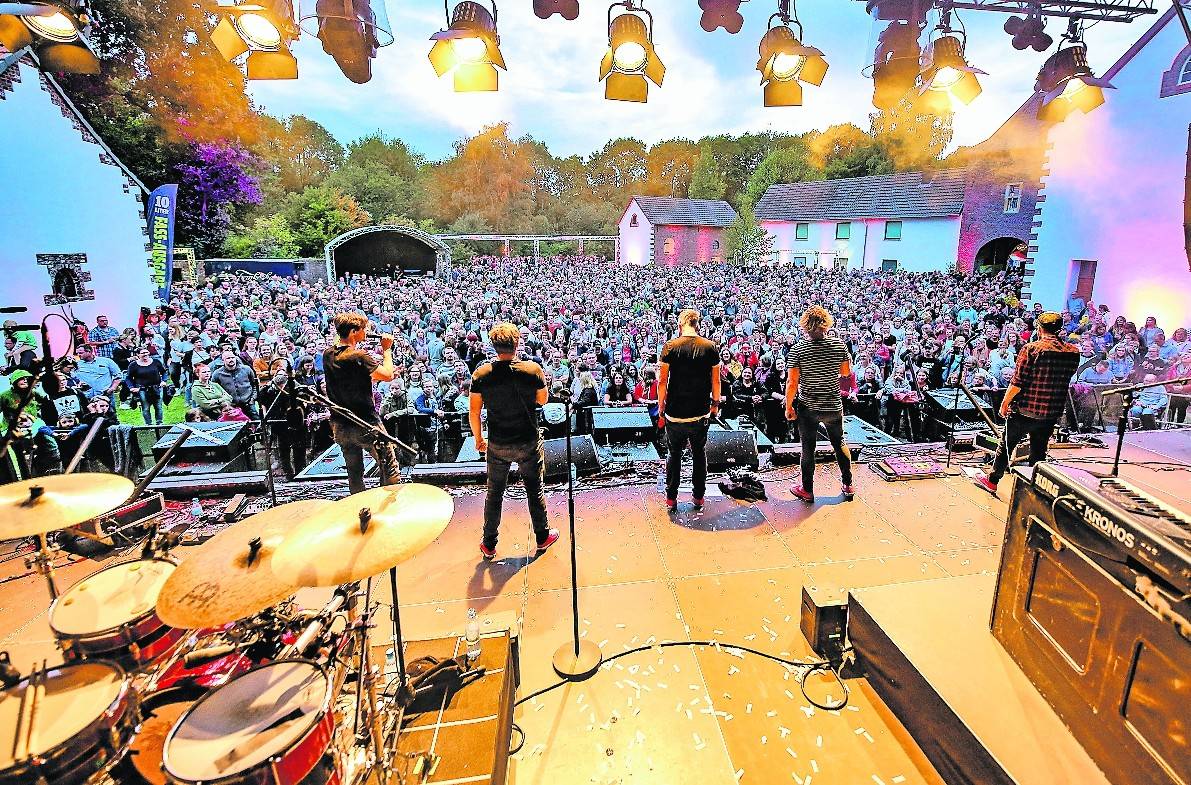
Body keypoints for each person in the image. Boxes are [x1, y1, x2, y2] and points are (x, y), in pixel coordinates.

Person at [469, 322, 559, 561]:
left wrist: (479, 439)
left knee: (494, 494)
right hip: (527, 440)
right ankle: (542, 537)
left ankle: (489, 544)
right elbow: (542, 400)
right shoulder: (532, 370)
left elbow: (474, 412)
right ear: (517, 343)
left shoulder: (482, 374)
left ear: (494, 345)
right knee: (534, 489)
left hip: (497, 443)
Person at [974, 312, 1080, 495]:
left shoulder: (1031, 349)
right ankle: (1034, 486)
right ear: (1060, 329)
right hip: (1052, 411)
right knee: (1039, 450)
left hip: (1025, 410)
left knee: (1007, 445)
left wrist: (1005, 403)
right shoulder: (1073, 351)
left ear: (1039, 328)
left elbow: (1017, 382)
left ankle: (992, 481)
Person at [785, 305, 854, 503]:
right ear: (826, 324)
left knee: (808, 448)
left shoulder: (798, 349)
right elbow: (846, 373)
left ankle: (807, 490)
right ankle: (848, 484)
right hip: (833, 404)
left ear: (805, 326)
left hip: (809, 406)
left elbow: (792, 383)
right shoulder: (839, 345)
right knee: (839, 443)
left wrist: (789, 407)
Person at [323, 312, 397, 495]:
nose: (367, 332)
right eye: (364, 329)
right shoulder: (358, 356)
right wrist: (386, 350)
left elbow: (339, 341)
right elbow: (388, 375)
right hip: (365, 422)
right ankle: (389, 508)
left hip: (340, 424)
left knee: (354, 472)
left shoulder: (328, 354)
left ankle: (359, 508)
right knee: (389, 467)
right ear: (354, 331)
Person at [658, 308, 720, 511]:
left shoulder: (670, 346)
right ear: (697, 324)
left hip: (675, 412)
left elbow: (662, 382)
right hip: (700, 411)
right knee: (699, 453)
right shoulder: (710, 347)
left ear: (680, 325)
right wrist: (715, 404)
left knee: (674, 454)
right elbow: (716, 381)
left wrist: (661, 407)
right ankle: (699, 497)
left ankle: (671, 498)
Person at [124, 346, 168, 425]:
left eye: (146, 352)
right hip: (142, 389)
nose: (145, 354)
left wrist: (164, 381)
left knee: (158, 406)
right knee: (145, 407)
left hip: (157, 388)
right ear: (138, 355)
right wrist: (131, 387)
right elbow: (128, 378)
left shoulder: (156, 362)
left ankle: (159, 423)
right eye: (142, 353)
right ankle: (148, 424)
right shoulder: (133, 365)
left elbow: (164, 372)